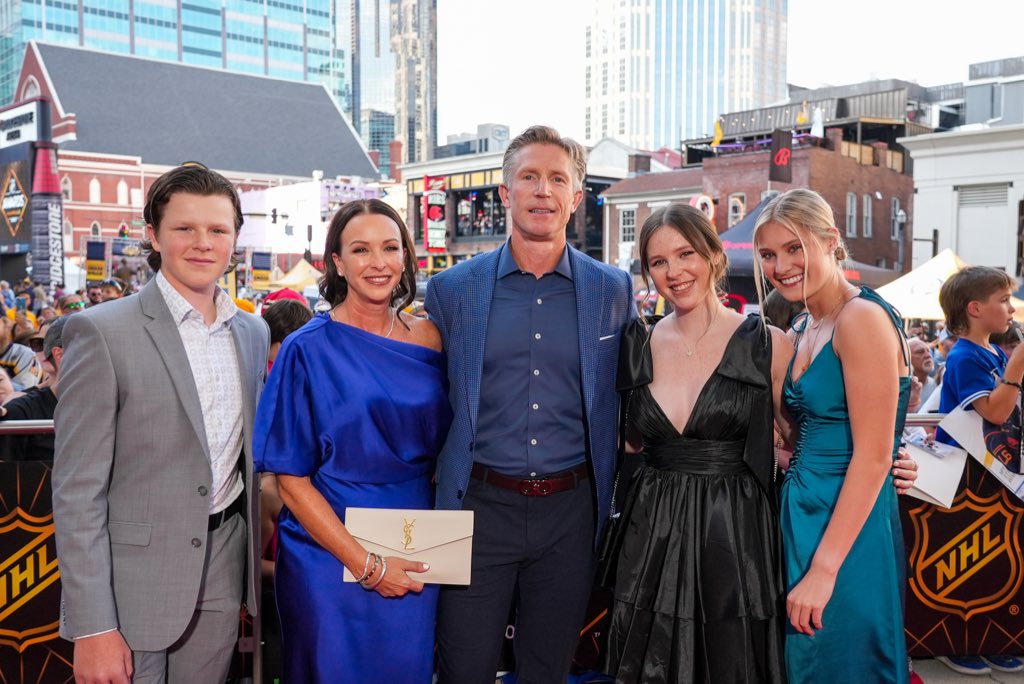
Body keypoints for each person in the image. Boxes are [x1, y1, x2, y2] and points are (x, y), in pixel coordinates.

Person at [426, 125, 637, 683]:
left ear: (575, 196)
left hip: (572, 512)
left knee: (547, 671)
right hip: (476, 506)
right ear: (505, 192)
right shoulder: (452, 290)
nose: (543, 190)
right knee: (464, 669)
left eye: (557, 179)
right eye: (529, 177)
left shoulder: (614, 290)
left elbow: (643, 392)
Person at [51, 164, 269, 684]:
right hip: (127, 592)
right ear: (153, 234)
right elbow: (77, 491)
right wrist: (92, 625)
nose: (203, 243)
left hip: (221, 574)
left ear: (235, 237)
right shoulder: (101, 331)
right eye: (184, 228)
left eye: (218, 229)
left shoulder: (253, 332)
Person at [254, 198, 450, 682]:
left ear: (406, 256)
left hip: (414, 542)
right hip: (327, 555)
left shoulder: (431, 338)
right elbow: (290, 478)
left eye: (389, 247)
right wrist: (365, 564)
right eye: (360, 250)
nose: (378, 263)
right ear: (337, 263)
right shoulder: (306, 348)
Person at [603, 204, 791, 682]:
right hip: (652, 532)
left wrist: (889, 455)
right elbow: (627, 443)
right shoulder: (636, 344)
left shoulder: (768, 343)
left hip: (736, 532)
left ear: (712, 254)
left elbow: (802, 437)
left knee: (731, 660)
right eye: (659, 262)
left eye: (685, 253)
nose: (674, 272)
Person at [753, 188, 910, 683]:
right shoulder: (803, 323)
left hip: (846, 530)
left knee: (841, 661)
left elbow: (871, 455)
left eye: (795, 248)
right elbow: (811, 437)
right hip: (801, 514)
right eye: (769, 254)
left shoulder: (860, 318)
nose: (781, 266)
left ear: (831, 241)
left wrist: (824, 570)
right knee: (803, 665)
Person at [933, 266, 1024, 677]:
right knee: (962, 564)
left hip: (991, 475)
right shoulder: (964, 355)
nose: (1011, 308)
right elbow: (994, 410)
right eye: (1003, 300)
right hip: (963, 479)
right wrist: (1017, 367)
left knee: (992, 560)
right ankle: (958, 639)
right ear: (975, 308)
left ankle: (988, 636)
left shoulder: (990, 352)